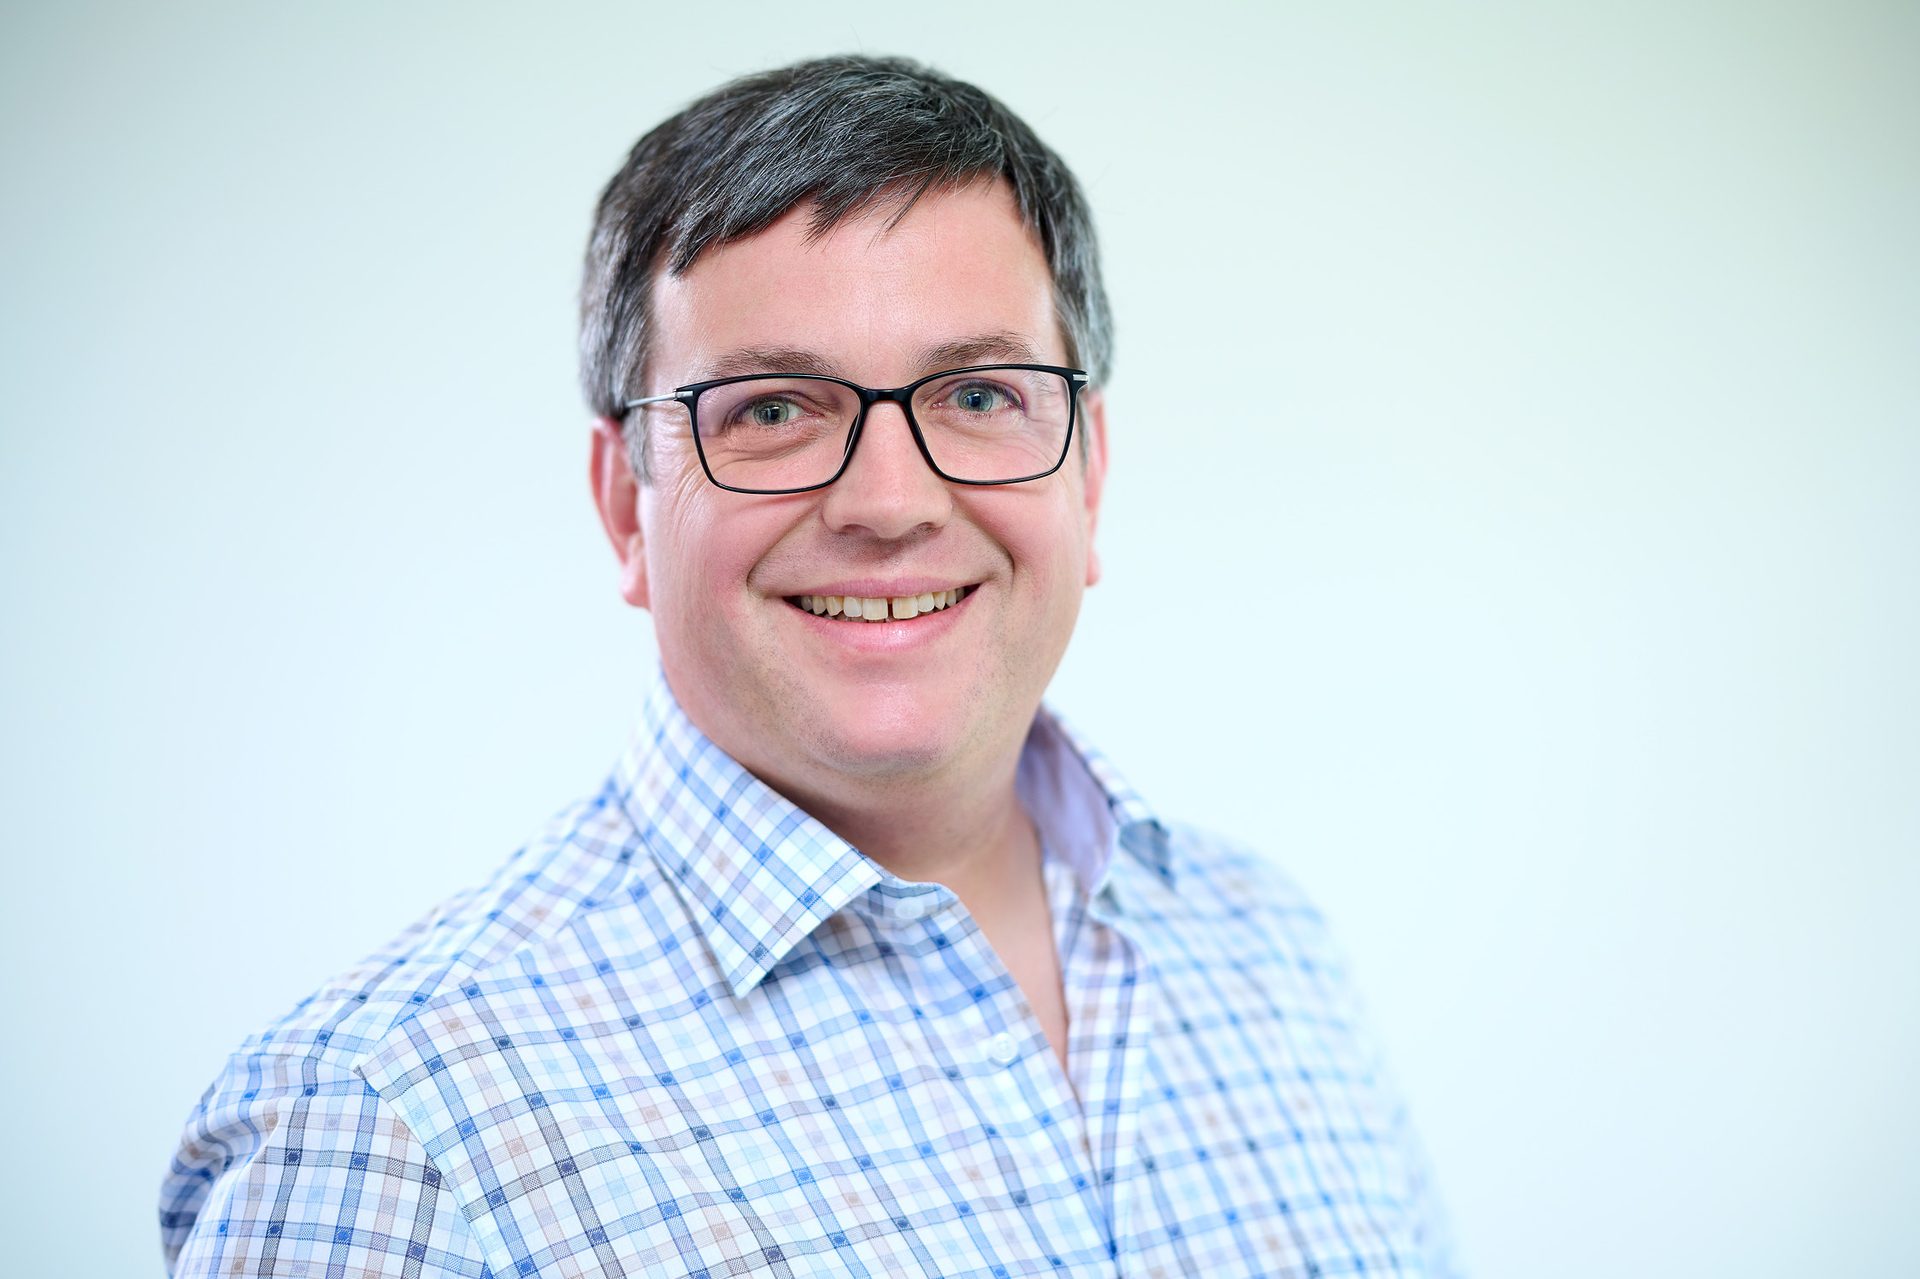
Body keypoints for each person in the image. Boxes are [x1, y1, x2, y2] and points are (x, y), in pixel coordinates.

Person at [160, 55, 1457, 1277]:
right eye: (773, 411)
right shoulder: (383, 1134)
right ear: (625, 506)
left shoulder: (1274, 953)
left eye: (978, 396)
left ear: (1090, 471)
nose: (890, 501)